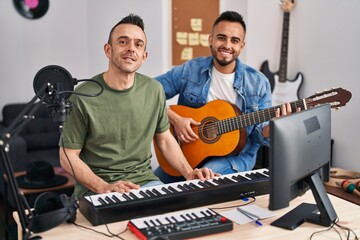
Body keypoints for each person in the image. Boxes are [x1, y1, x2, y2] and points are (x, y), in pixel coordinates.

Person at [59, 14, 217, 199]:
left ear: (144, 56)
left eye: (138, 44)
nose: (131, 49)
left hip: (145, 182)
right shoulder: (81, 97)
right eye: (123, 42)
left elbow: (165, 140)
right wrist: (104, 187)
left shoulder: (154, 90)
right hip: (97, 189)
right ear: (108, 50)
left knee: (180, 219)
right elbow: (66, 156)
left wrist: (189, 173)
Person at [154, 11, 293, 183]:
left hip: (234, 157)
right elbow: (149, 92)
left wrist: (274, 126)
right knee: (148, 191)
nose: (227, 45)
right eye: (221, 38)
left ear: (242, 46)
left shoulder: (258, 82)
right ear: (210, 40)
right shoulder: (191, 69)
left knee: (201, 182)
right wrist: (175, 119)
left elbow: (259, 135)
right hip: (183, 152)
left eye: (234, 40)